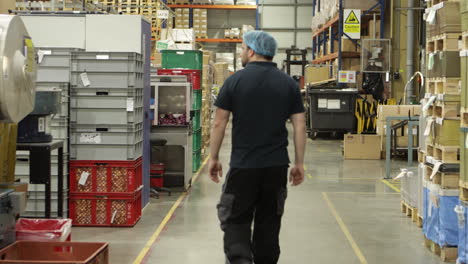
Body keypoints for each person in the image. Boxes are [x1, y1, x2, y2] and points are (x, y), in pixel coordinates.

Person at [208, 30, 306, 264]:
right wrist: (299, 162)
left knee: (235, 219)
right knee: (269, 223)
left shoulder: (235, 81)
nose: (242, 52)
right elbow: (300, 125)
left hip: (244, 167)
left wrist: (214, 157)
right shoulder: (288, 84)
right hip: (276, 167)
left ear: (251, 50)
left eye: (243, 48)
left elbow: (219, 122)